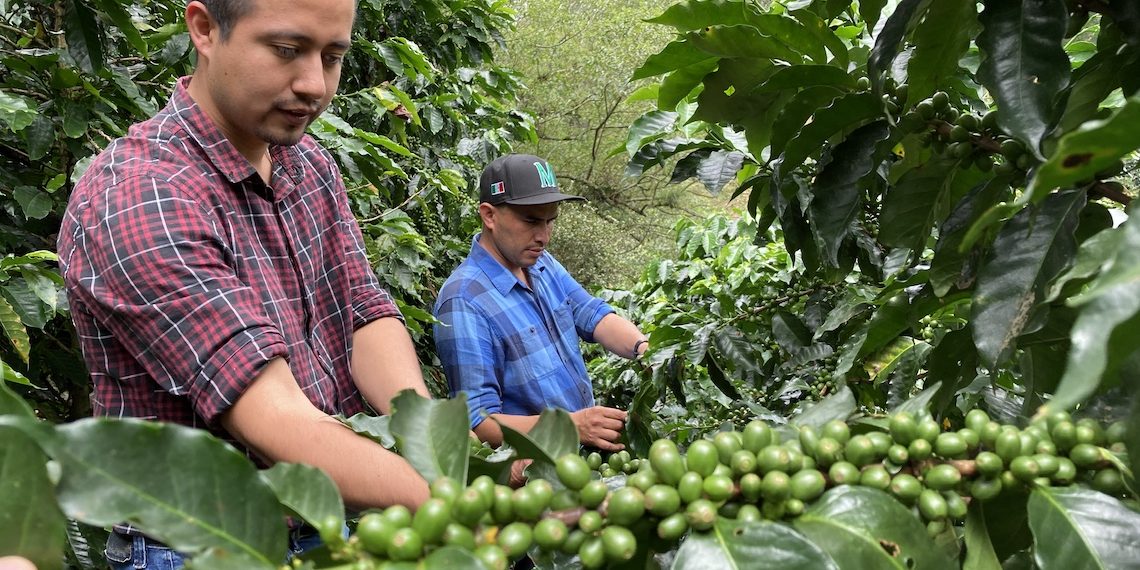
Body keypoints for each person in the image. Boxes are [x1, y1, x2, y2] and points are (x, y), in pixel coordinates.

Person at [56, 0, 430, 567]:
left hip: (326, 524)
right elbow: (272, 417)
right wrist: (464, 495)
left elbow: (363, 313)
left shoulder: (308, 165)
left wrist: (429, 438)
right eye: (286, 50)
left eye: (333, 57)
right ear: (205, 29)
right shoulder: (140, 194)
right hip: (201, 545)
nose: (313, 85)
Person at [433, 154, 650, 452]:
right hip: (533, 476)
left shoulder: (541, 264)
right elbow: (478, 422)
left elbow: (592, 314)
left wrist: (645, 350)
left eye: (550, 222)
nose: (544, 237)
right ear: (489, 215)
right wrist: (571, 426)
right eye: (532, 221)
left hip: (583, 461)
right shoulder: (463, 301)